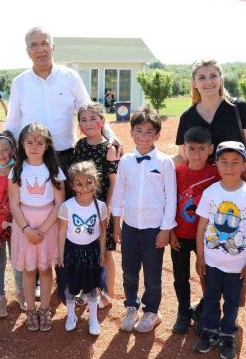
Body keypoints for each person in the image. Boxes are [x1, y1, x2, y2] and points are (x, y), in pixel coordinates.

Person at [5, 27, 119, 176]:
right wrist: (5, 152)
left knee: (69, 200)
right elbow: (13, 123)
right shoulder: (19, 82)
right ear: (27, 51)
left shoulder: (70, 77)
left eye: (45, 43)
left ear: (53, 46)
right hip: (33, 160)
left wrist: (110, 136)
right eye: (34, 45)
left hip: (67, 158)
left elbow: (91, 111)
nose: (40, 49)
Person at [192, 141, 246, 358]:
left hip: (238, 265)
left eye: (235, 162)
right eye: (224, 162)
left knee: (232, 301)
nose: (229, 167)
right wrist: (200, 257)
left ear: (244, 165)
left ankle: (227, 334)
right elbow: (202, 226)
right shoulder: (211, 192)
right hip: (212, 261)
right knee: (211, 297)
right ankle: (209, 331)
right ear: (216, 164)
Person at [112, 106, 177, 333]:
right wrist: (116, 224)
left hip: (153, 229)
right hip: (130, 226)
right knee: (129, 270)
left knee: (152, 272)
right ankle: (131, 306)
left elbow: (171, 198)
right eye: (138, 130)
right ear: (131, 133)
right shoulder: (126, 161)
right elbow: (119, 193)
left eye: (149, 132)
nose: (143, 136)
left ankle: (152, 311)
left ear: (157, 135)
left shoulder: (165, 162)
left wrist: (165, 229)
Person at [8, 122, 65, 332]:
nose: (34, 146)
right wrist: (27, 230)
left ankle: (45, 309)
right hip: (24, 223)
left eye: (39, 142)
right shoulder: (17, 170)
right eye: (29, 142)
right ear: (22, 144)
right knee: (29, 269)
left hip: (48, 223)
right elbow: (14, 203)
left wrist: (44, 228)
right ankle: (30, 309)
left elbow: (59, 202)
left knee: (45, 268)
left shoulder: (54, 170)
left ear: (47, 145)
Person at [174, 59, 246, 181]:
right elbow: (183, 157)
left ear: (221, 79)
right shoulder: (187, 117)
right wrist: (155, 161)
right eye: (202, 77)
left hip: (237, 183)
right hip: (202, 186)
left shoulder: (239, 108)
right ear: (194, 83)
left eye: (213, 76)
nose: (208, 81)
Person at [169, 126, 220, 334]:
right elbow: (169, 202)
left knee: (207, 276)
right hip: (180, 235)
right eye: (191, 149)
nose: (196, 154)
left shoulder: (217, 174)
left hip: (207, 237)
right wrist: (171, 231)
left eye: (201, 149)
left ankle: (205, 311)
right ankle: (183, 311)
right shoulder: (176, 172)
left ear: (211, 149)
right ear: (184, 149)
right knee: (180, 276)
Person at [70, 102, 119, 307]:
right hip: (83, 207)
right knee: (87, 249)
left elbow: (114, 183)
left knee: (105, 251)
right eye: (83, 119)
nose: (88, 123)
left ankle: (109, 292)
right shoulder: (80, 146)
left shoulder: (110, 147)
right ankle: (90, 288)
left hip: (101, 207)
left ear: (102, 121)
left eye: (93, 118)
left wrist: (107, 209)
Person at [57, 161, 107, 336]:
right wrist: (60, 253)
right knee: (70, 285)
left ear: (96, 182)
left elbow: (102, 231)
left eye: (89, 182)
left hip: (92, 251)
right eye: (79, 183)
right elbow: (62, 231)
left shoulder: (100, 206)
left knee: (91, 285)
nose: (84, 187)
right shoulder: (67, 206)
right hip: (71, 251)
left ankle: (93, 318)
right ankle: (71, 315)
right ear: (72, 185)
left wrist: (102, 252)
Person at [0, 131, 25, 317]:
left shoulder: (20, 172)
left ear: (13, 150)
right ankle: (0, 297)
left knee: (17, 261)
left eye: (5, 150)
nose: (1, 155)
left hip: (18, 227)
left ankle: (20, 292)